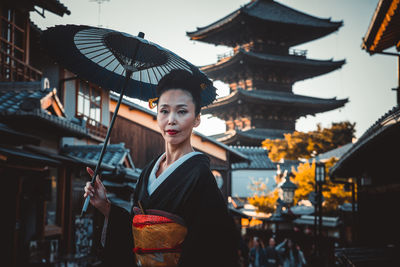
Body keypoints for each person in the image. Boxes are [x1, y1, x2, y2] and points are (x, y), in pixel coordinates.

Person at [84, 69, 239, 267]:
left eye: (182, 111)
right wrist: (105, 206)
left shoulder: (201, 177)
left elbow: (215, 249)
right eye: (164, 111)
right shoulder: (148, 171)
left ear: (197, 118)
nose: (171, 120)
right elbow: (135, 237)